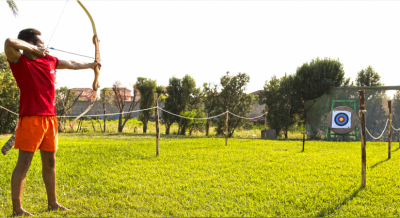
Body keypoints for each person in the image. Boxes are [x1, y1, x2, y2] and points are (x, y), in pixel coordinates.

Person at [4, 28, 101, 216]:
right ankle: (17, 208)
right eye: (40, 42)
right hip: (31, 117)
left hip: (50, 118)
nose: (44, 45)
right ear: (30, 44)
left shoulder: (49, 60)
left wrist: (92, 65)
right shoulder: (20, 61)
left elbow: (72, 64)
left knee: (50, 162)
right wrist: (35, 49)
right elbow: (9, 42)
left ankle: (53, 203)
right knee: (24, 162)